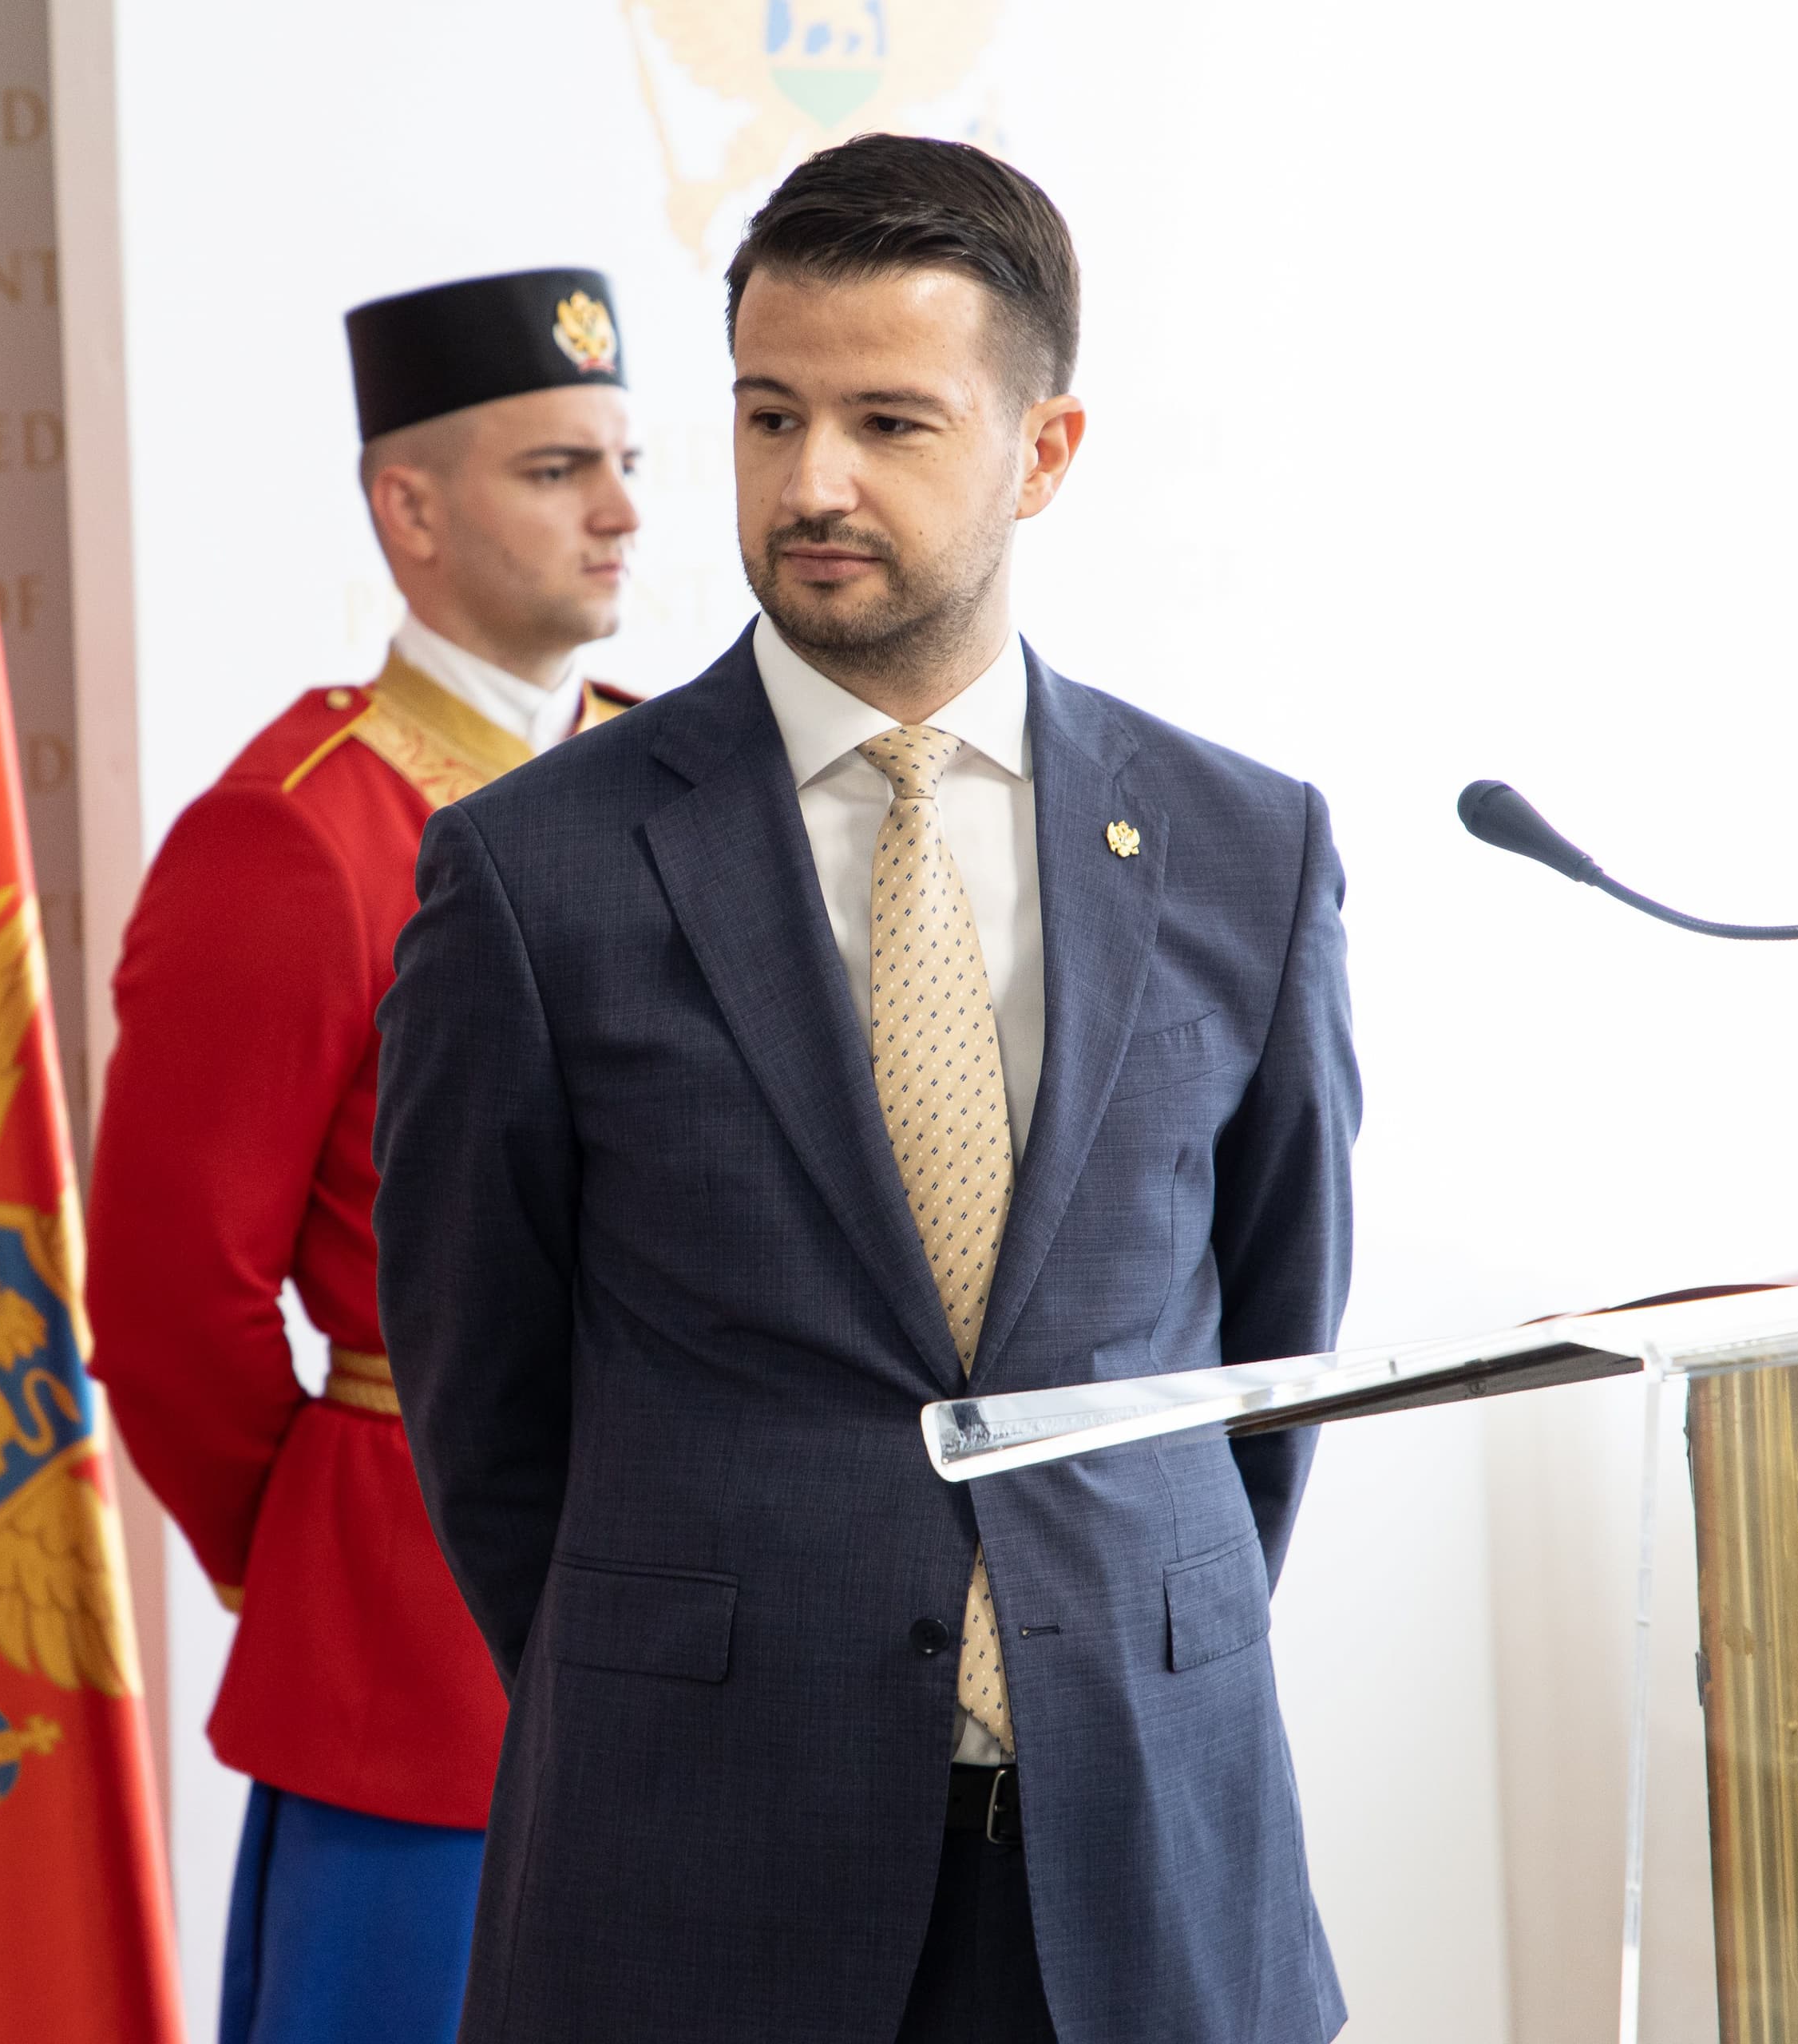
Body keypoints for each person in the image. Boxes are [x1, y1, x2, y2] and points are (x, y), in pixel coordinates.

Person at [376, 138, 1357, 2044]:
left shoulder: (1247, 848)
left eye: (889, 423)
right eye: (770, 415)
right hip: (697, 1875)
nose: (811, 481)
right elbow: (483, 1409)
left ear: (1044, 451)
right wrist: (688, 1665)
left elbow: (1266, 1363)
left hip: (1147, 1868)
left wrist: (1119, 1627)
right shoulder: (533, 872)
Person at [85, 267, 642, 2044]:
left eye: (625, 462)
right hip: (419, 1665)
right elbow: (171, 1304)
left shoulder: (680, 781)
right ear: (409, 508)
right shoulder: (295, 836)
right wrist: (320, 1551)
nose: (622, 511)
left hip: (705, 1624)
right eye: (557, 468)